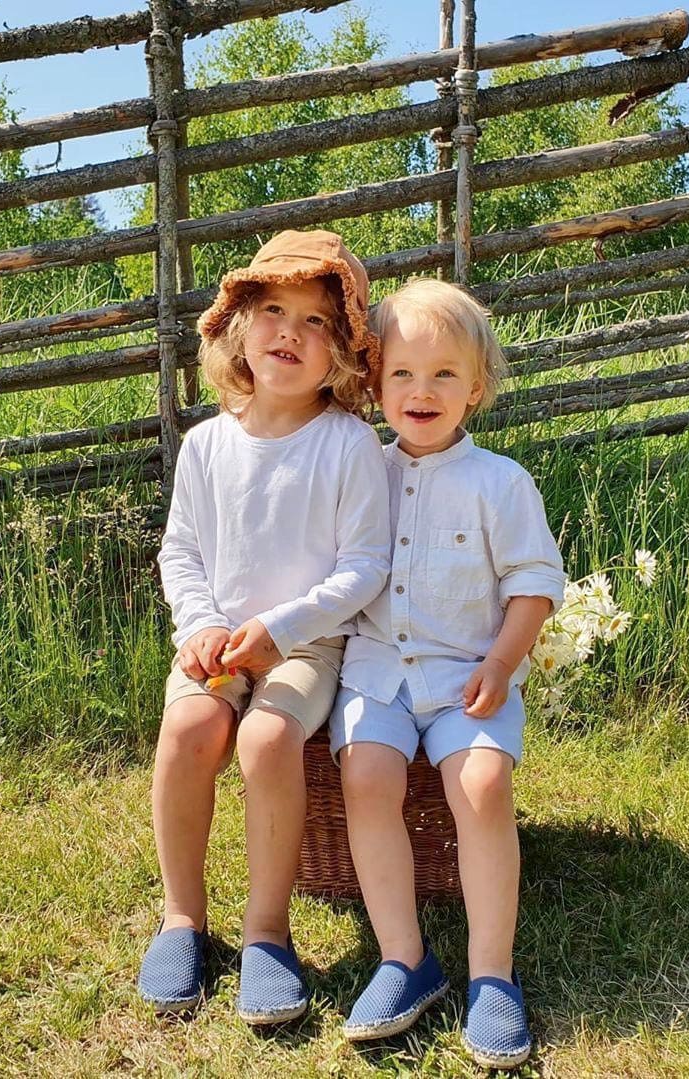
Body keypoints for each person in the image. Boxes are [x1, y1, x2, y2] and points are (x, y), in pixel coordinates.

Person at [138, 230, 391, 1022]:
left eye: (317, 321)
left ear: (343, 355)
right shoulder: (207, 443)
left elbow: (362, 569)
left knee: (267, 738)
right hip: (216, 640)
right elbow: (179, 548)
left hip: (306, 644)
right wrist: (201, 625)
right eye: (274, 309)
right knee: (188, 732)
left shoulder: (348, 445)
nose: (290, 331)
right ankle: (183, 916)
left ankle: (266, 932)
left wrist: (281, 627)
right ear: (240, 327)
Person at [331, 277, 565, 1069]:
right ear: (374, 382)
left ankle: (491, 974)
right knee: (365, 773)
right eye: (400, 373)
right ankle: (405, 957)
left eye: (441, 375)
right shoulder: (360, 467)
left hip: (471, 674)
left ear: (477, 386)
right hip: (375, 673)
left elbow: (532, 586)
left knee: (483, 784)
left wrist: (503, 662)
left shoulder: (501, 482)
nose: (419, 391)